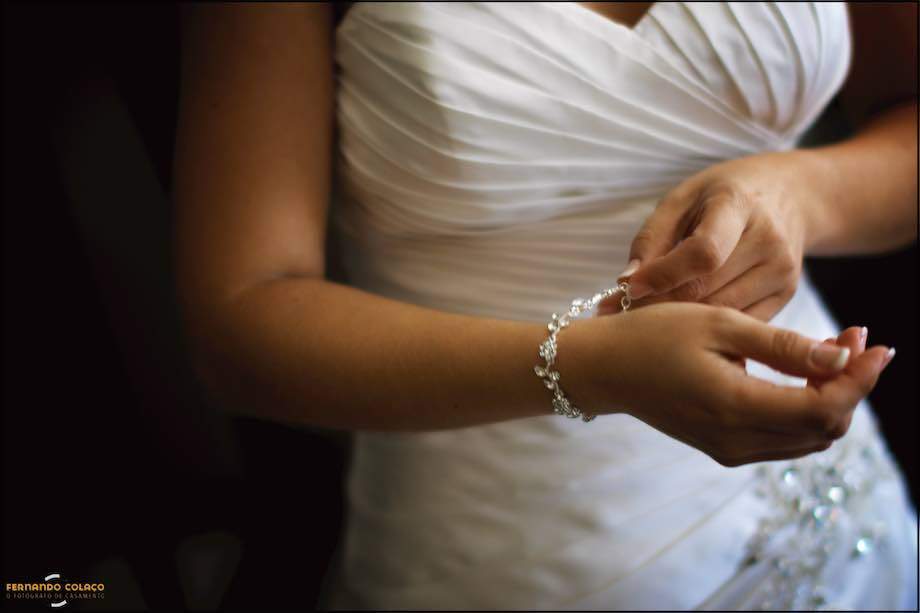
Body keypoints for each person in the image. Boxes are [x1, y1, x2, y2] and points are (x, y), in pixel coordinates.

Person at [173, 2, 918, 609]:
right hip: (517, 559)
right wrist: (581, 368)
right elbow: (242, 317)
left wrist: (798, 192)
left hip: (827, 520)